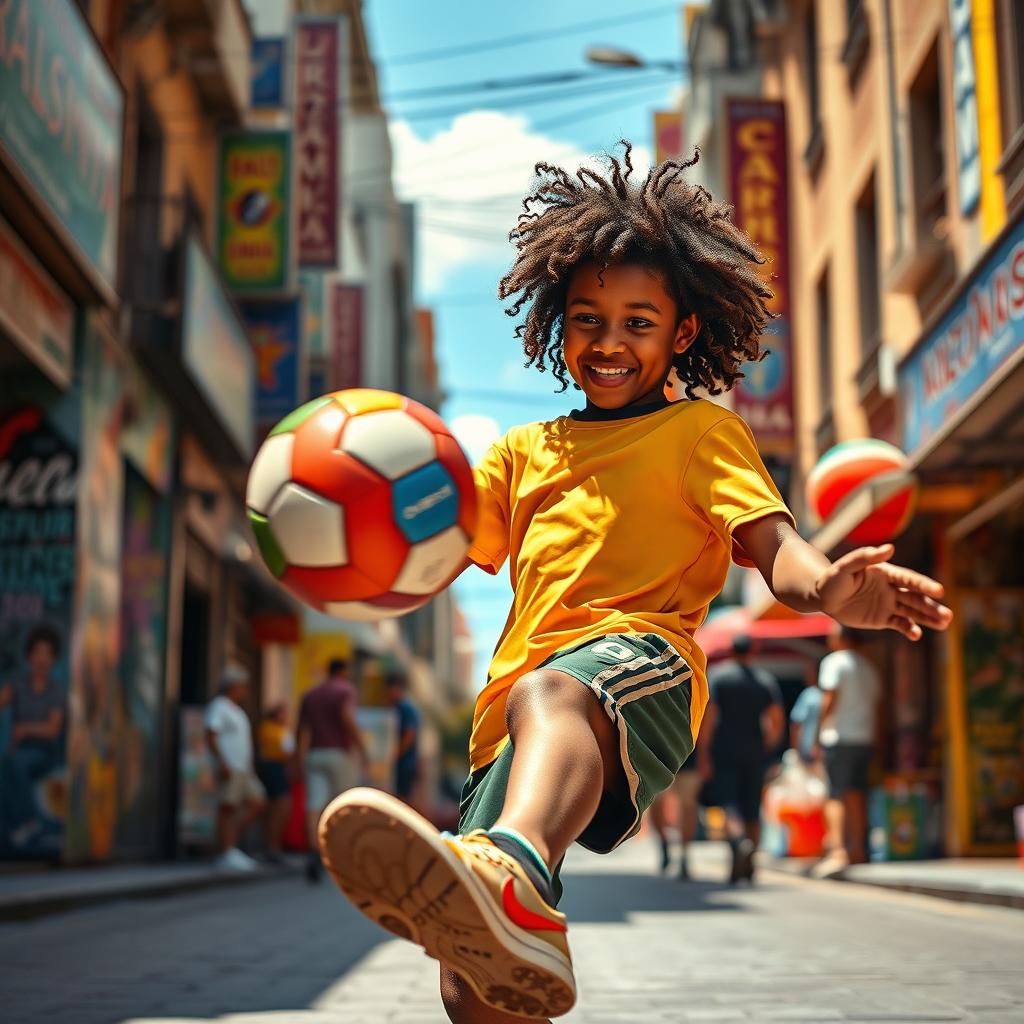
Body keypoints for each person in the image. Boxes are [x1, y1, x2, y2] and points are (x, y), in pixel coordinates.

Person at [316, 146, 953, 1022]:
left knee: (553, 694)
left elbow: (777, 548)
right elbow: (429, 559)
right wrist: (347, 553)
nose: (609, 343)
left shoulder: (700, 434)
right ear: (558, 326)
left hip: (640, 667)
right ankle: (517, 900)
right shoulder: (523, 452)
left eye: (638, 322)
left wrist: (828, 589)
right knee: (473, 978)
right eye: (587, 320)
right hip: (509, 720)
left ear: (681, 334)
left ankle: (515, 867)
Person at [696, 634, 784, 883]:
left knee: (729, 802)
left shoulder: (719, 676)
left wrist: (703, 752)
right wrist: (767, 745)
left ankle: (738, 840)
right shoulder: (764, 680)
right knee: (752, 806)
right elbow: (777, 719)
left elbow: (709, 716)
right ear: (752, 652)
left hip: (725, 748)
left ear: (731, 651)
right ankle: (750, 863)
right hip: (755, 749)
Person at [815, 626, 882, 871]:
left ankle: (838, 850)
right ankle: (859, 851)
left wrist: (817, 732)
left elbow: (829, 698)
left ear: (842, 638)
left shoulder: (834, 662)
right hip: (864, 738)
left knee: (836, 794)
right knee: (857, 794)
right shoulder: (869, 668)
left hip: (839, 737)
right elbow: (878, 709)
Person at [296, 656, 366, 882]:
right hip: (339, 754)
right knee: (343, 805)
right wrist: (362, 748)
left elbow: (301, 730)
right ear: (344, 671)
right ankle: (340, 855)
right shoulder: (345, 690)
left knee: (314, 806)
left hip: (315, 754)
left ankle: (313, 851)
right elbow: (347, 718)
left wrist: (298, 760)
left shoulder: (310, 694)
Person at [0, 625, 66, 849]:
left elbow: (52, 729)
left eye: (47, 654)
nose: (42, 659)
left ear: (54, 659)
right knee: (7, 767)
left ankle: (30, 821)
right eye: (38, 652)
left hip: (45, 752)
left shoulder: (56, 692)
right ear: (29, 656)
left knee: (14, 763)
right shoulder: (18, 684)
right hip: (19, 751)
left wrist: (25, 729)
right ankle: (12, 828)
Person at [205, 664, 265, 871]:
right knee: (228, 807)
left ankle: (229, 844)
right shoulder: (219, 706)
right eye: (242, 686)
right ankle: (227, 851)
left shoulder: (237, 710)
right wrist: (221, 762)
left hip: (243, 768)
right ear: (233, 686)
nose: (245, 690)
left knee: (257, 802)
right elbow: (211, 734)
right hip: (230, 765)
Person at [647, 752, 702, 879]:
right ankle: (664, 842)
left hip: (688, 758)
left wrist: (703, 756)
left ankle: (685, 855)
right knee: (655, 804)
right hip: (658, 757)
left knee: (688, 807)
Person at [256, 703, 294, 863]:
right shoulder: (269, 729)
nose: (286, 716)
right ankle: (272, 846)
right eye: (283, 713)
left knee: (280, 808)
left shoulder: (282, 729)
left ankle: (273, 846)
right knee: (279, 806)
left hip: (279, 768)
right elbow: (283, 751)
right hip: (273, 768)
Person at [386, 671, 421, 804]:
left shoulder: (405, 708)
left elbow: (409, 735)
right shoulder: (398, 708)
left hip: (404, 763)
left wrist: (394, 755)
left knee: (401, 800)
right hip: (403, 763)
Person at [790, 678, 823, 767]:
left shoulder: (809, 695)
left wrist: (795, 750)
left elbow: (796, 724)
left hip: (807, 750)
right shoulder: (829, 694)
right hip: (822, 751)